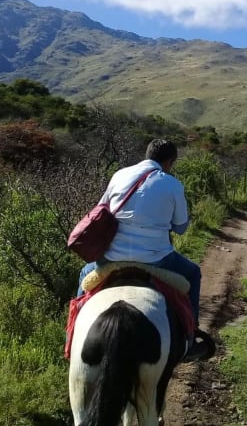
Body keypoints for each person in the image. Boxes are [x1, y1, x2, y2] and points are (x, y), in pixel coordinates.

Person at [77, 139, 209, 360]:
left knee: (84, 274)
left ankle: (73, 334)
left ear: (147, 154)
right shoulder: (173, 184)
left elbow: (102, 209)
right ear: (170, 162)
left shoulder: (120, 175)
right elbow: (181, 228)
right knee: (193, 273)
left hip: (111, 257)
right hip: (157, 258)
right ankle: (191, 337)